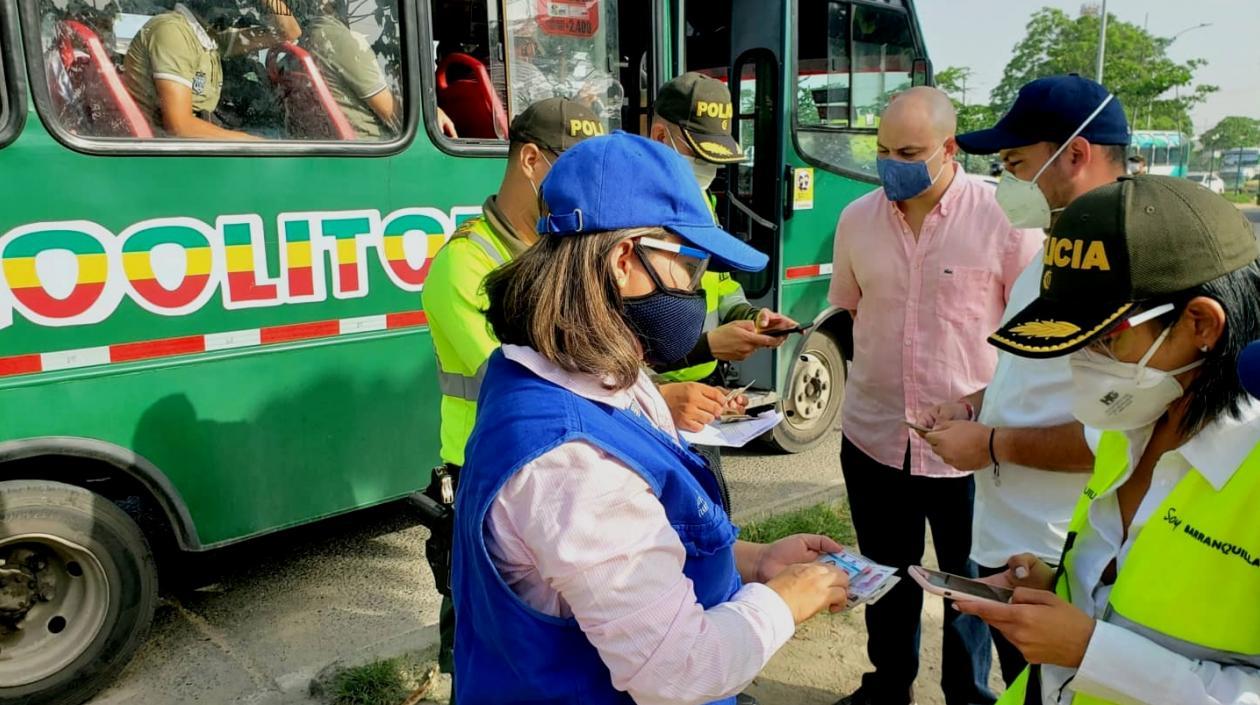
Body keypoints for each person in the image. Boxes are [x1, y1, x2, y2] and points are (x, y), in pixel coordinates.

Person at [452, 131, 852, 705]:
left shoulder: (583, 373)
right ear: (622, 260)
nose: (694, 290)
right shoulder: (574, 463)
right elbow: (680, 672)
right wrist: (787, 600)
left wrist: (759, 561)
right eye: (687, 267)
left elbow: (642, 551)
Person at [957, 175, 1260, 705]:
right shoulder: (1131, 425)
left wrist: (1092, 652)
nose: (1082, 363)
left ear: (1202, 324)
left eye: (1103, 340)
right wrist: (1060, 589)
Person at [827, 86, 1043, 705]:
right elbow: (851, 309)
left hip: (969, 449)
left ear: (949, 149)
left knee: (972, 590)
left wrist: (979, 407)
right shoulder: (856, 219)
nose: (894, 162)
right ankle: (888, 686)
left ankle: (966, 696)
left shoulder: (1002, 218)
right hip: (875, 437)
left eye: (910, 151)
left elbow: (1028, 335)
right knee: (886, 578)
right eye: (884, 150)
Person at [913, 75, 1131, 685]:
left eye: (1016, 163)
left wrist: (988, 445)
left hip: (1065, 545)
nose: (1007, 181)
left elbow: (1117, 432)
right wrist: (975, 404)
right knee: (1025, 686)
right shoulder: (1058, 244)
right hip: (1014, 536)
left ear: (1077, 155)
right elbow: (1030, 369)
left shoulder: (1126, 262)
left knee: (1063, 687)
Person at [420, 96, 602, 690]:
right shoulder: (464, 266)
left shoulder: (564, 251)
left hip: (564, 467)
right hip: (487, 474)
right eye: (575, 170)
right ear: (530, 160)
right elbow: (529, 379)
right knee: (480, 637)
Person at [649, 72, 797, 434]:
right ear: (658, 137)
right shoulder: (628, 215)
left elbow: (721, 284)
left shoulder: (703, 202)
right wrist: (707, 347)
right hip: (647, 393)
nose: (706, 170)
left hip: (698, 387)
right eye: (697, 155)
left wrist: (750, 315)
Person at [123, 0, 301, 138]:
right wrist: (253, 143)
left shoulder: (211, 39)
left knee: (275, 132)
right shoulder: (173, 31)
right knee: (273, 138)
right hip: (169, 154)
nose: (235, 10)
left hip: (195, 143)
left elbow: (288, 32)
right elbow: (179, 126)